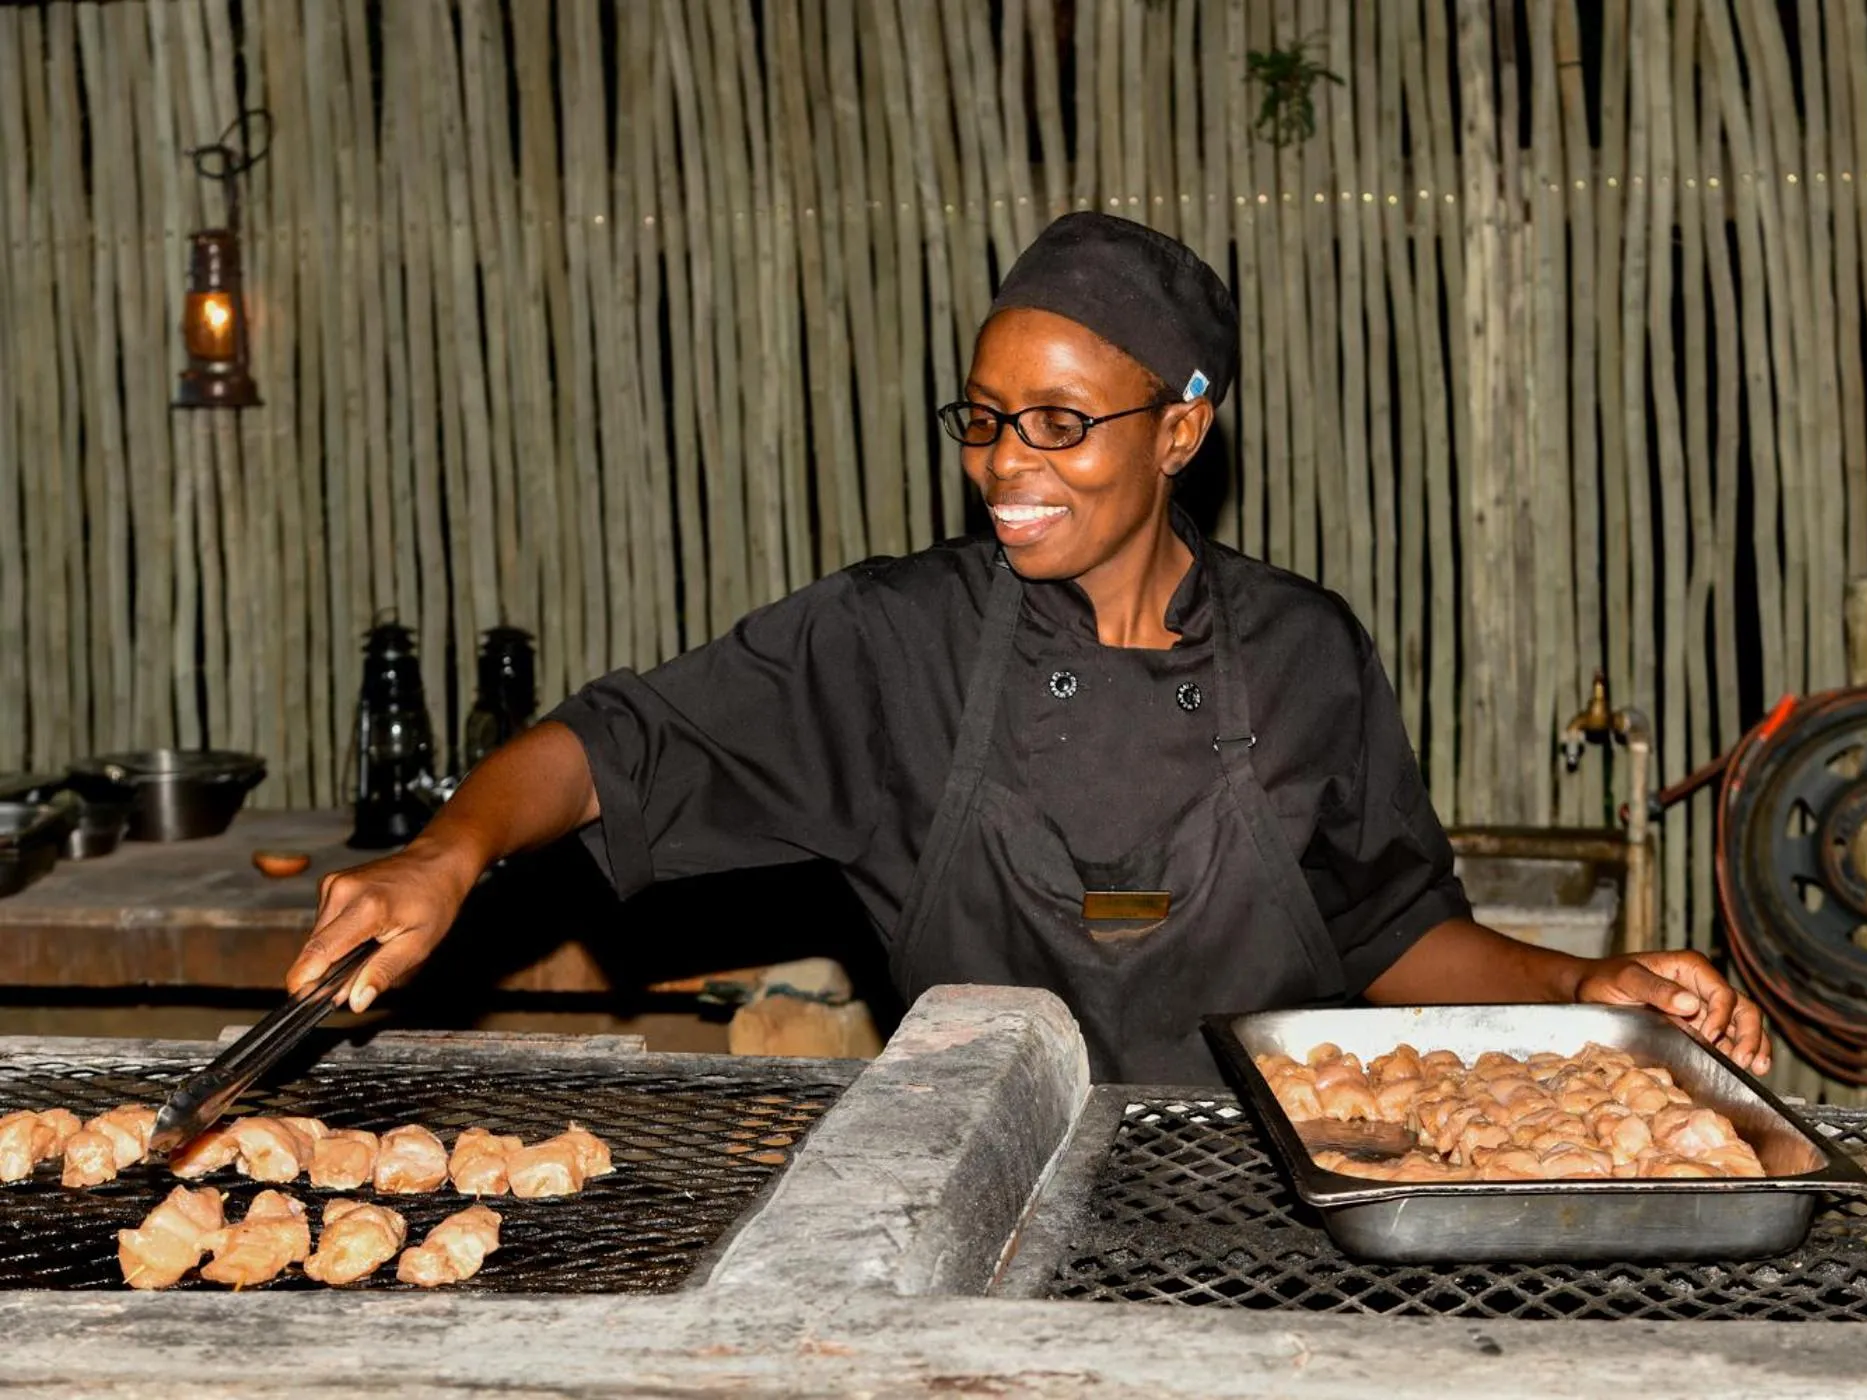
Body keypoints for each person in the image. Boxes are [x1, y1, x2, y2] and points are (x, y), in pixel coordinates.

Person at [289, 212, 1769, 1084]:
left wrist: (1580, 991)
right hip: (969, 1206)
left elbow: (1388, 933)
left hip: (1270, 1203)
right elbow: (619, 746)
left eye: (1062, 423)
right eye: (987, 419)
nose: (1008, 463)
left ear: (1181, 428)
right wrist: (453, 847)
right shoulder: (895, 642)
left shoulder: (1305, 653)